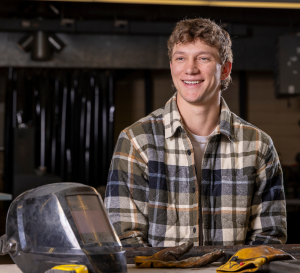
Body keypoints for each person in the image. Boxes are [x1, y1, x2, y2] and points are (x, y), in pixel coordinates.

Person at [104, 18, 287, 247]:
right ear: (172, 67)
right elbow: (124, 238)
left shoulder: (258, 145)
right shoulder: (137, 141)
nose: (190, 69)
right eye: (181, 58)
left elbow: (268, 238)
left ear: (225, 69)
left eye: (203, 58)